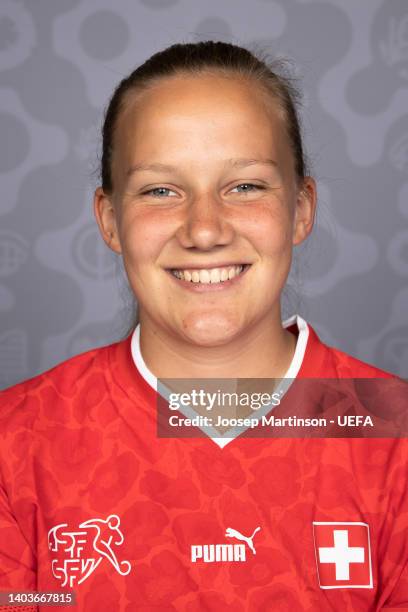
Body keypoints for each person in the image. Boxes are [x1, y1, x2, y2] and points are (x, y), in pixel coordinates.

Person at [0, 41, 406, 612]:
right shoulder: (13, 445)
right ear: (110, 220)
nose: (205, 229)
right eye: (161, 190)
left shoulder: (395, 436)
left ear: (301, 209)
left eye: (245, 186)